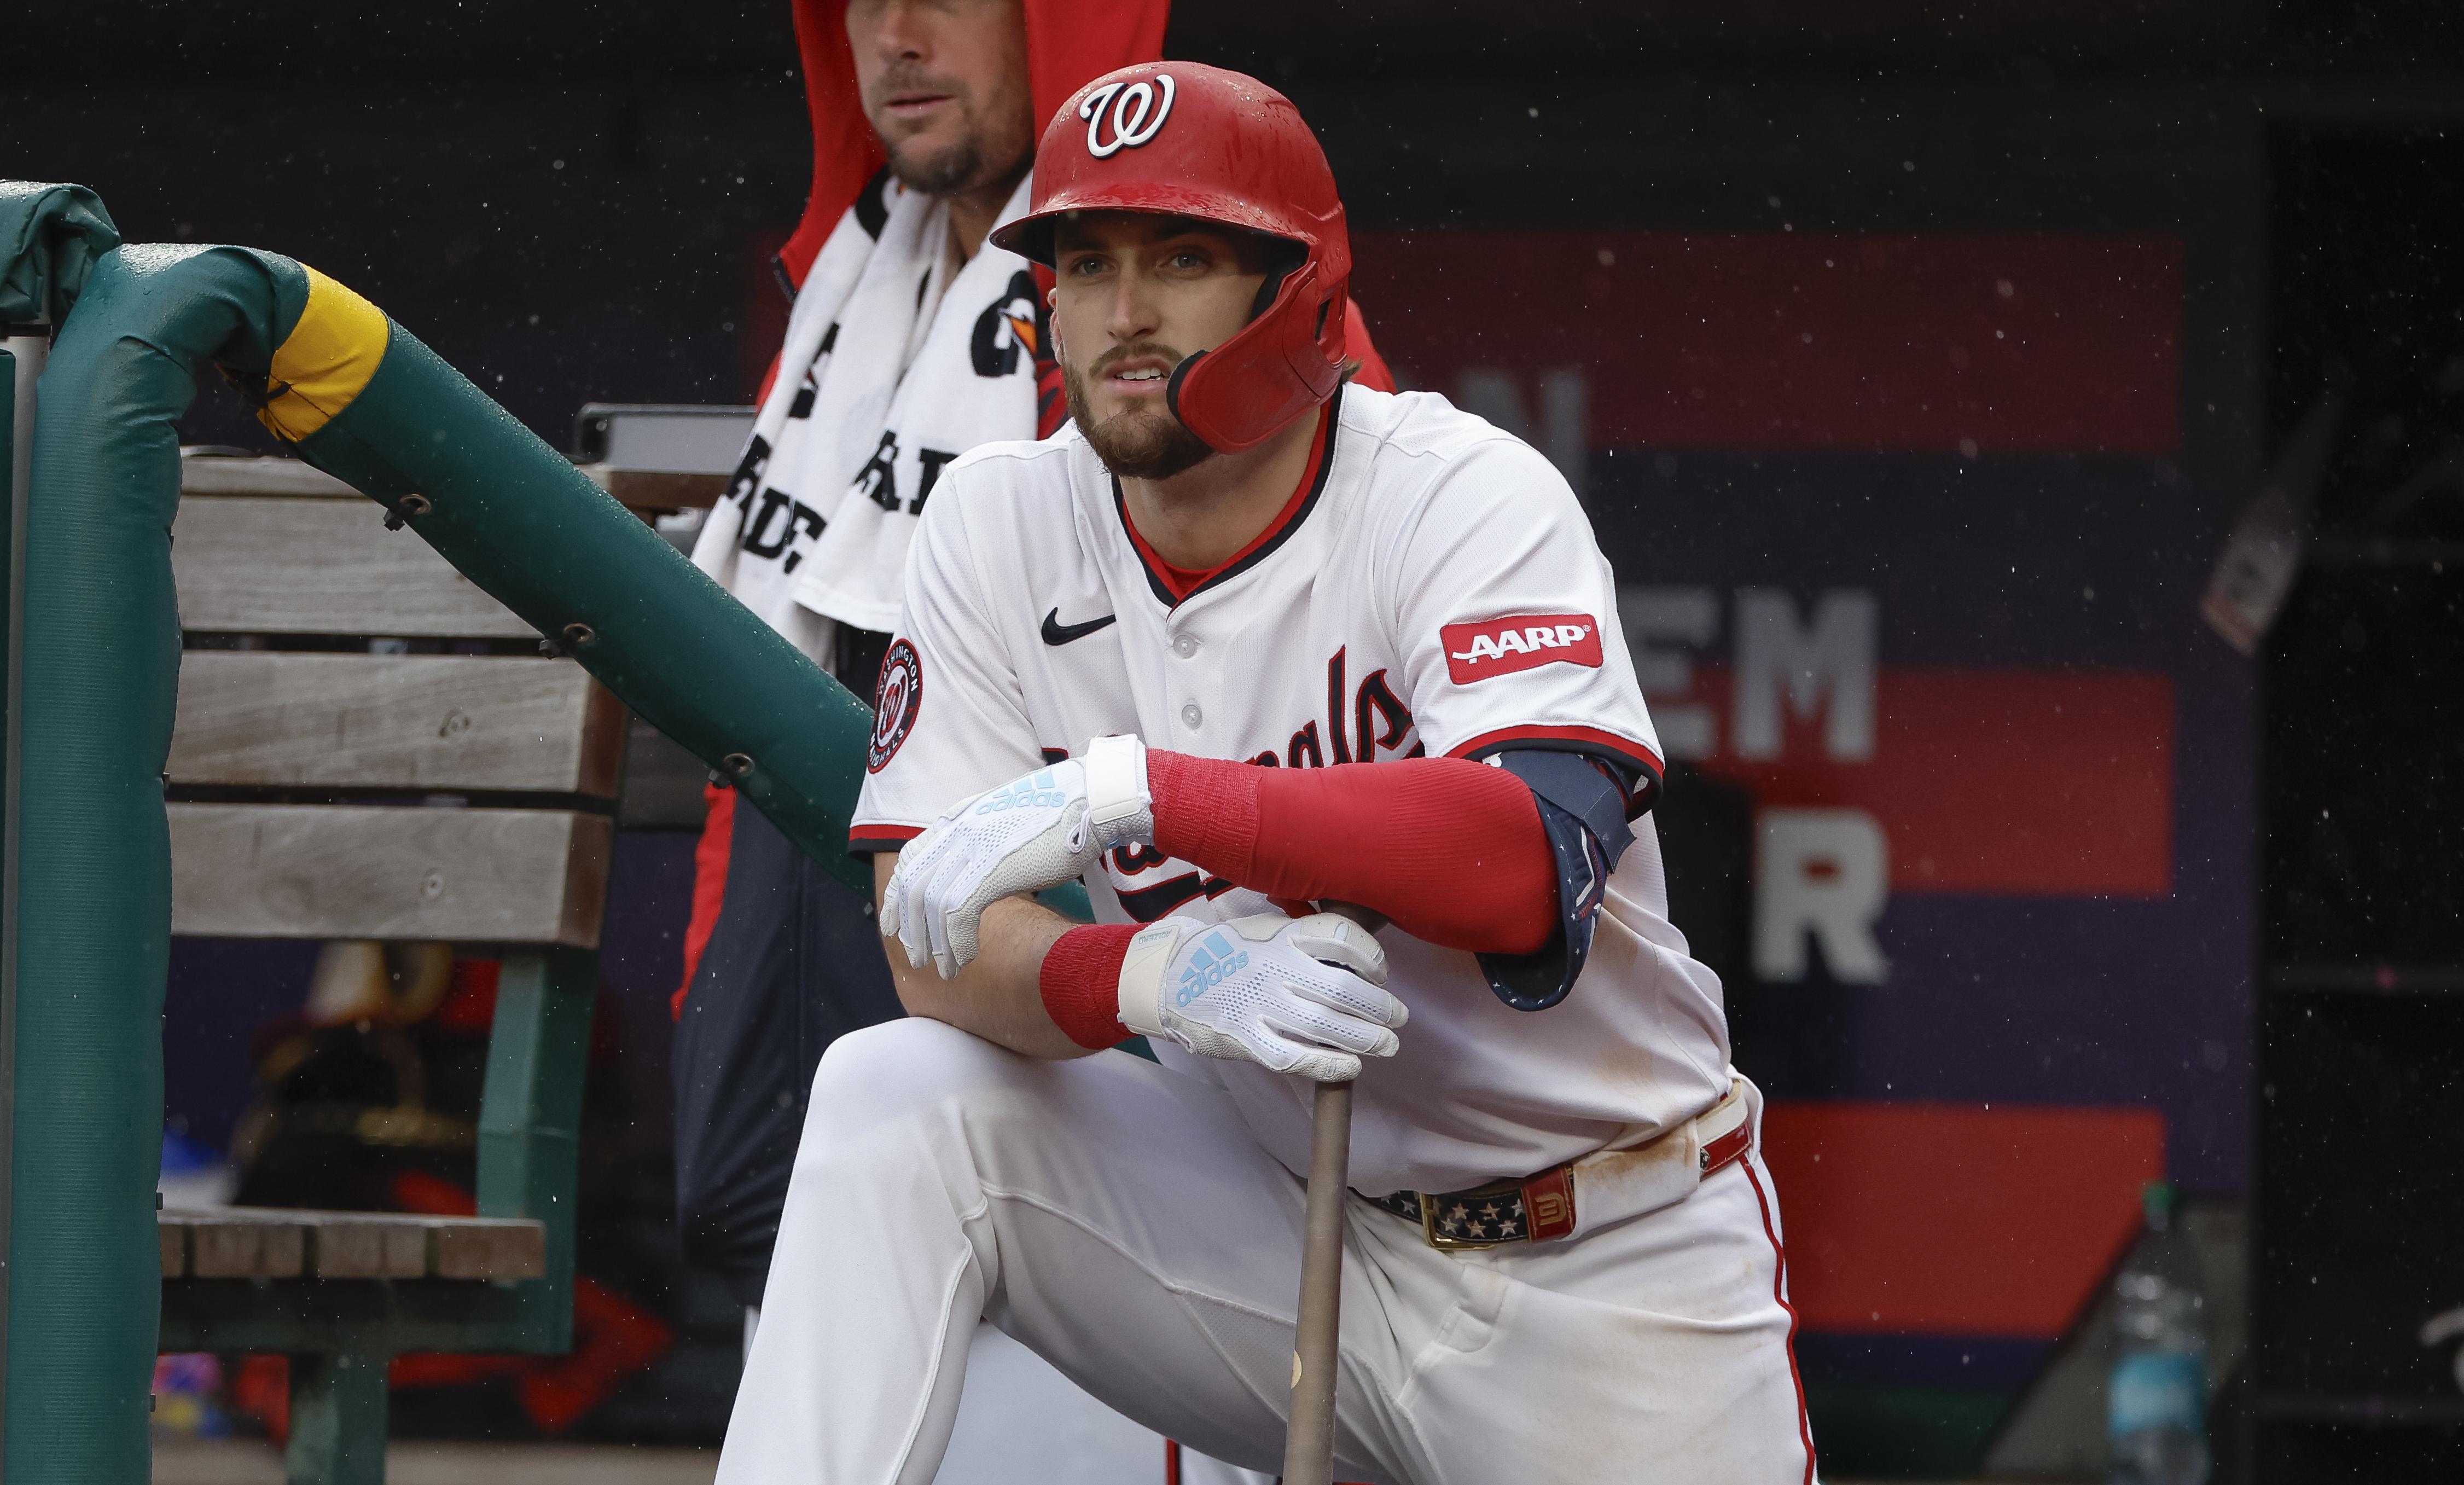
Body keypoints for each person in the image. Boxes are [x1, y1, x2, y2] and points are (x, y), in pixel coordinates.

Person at [716, 62, 1820, 1484]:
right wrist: (1146, 982)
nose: (1121, 312)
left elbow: (1527, 852)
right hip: (1274, 1234)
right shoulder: (997, 518)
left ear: (1295, 289)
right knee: (897, 1091)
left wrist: (1146, 793)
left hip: (1602, 1256)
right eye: (1085, 262)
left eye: (1182, 257)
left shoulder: (1454, 489)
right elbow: (930, 935)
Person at [673, 4, 1390, 1478]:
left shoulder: (1210, 327)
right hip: (862, 902)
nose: (900, 39)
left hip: (1138, 1019)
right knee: (784, 1181)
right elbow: (768, 667)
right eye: (861, 3)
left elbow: (1336, 660)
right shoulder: (854, 290)